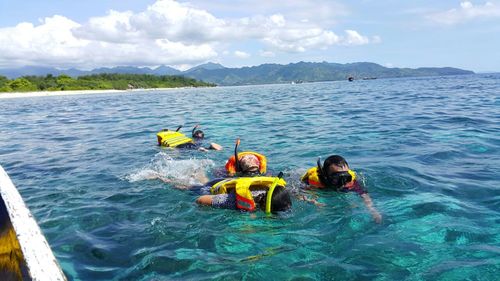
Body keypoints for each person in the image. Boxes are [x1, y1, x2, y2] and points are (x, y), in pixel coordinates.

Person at [301, 155, 382, 223]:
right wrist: (314, 202)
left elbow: (364, 194)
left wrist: (373, 210)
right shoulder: (314, 181)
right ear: (326, 175)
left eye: (346, 177)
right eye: (337, 178)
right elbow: (298, 193)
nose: (343, 182)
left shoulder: (350, 182)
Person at [157, 125, 222, 151]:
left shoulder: (164, 140)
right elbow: (192, 132)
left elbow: (161, 145)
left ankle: (207, 148)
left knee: (192, 148)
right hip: (189, 143)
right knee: (195, 147)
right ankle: (210, 148)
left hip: (183, 145)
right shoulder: (200, 137)